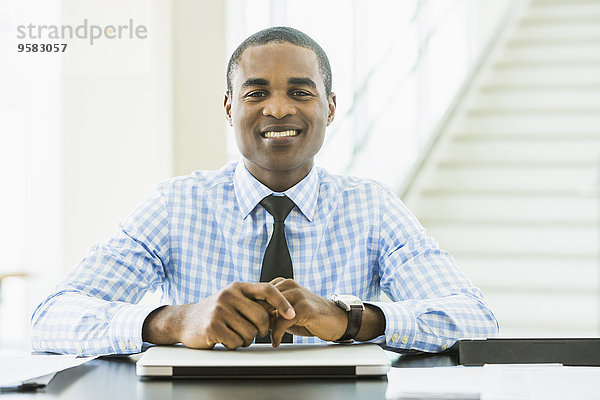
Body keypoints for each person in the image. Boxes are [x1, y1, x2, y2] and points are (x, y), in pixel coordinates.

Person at [31, 27, 498, 356]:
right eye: (256, 93)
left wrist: (351, 320)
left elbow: (476, 320)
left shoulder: (372, 206)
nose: (278, 109)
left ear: (330, 108)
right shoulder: (175, 205)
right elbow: (52, 317)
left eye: (300, 92)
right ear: (230, 106)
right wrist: (174, 322)